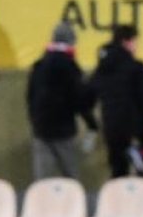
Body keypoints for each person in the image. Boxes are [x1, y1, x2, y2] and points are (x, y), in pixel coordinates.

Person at [25, 21, 97, 181]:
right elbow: (79, 99)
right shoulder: (70, 67)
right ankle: (73, 206)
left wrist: (34, 120)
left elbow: (30, 97)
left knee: (42, 180)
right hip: (63, 129)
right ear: (71, 42)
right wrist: (92, 124)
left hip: (40, 129)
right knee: (70, 177)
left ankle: (40, 206)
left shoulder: (39, 66)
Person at [89, 24, 143, 179]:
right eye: (135, 41)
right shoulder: (136, 68)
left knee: (118, 170)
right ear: (127, 42)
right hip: (133, 126)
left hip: (110, 125)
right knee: (139, 171)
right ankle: (139, 201)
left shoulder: (102, 69)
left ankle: (116, 201)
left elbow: (90, 92)